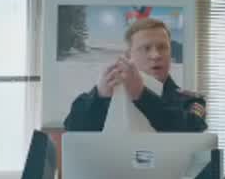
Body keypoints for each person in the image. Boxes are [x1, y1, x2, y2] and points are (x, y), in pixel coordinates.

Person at [63, 18, 207, 133]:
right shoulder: (104, 94)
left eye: (163, 47)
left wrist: (142, 95)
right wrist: (99, 97)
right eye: (146, 48)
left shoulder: (190, 100)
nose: (156, 55)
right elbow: (73, 129)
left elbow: (193, 129)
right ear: (128, 56)